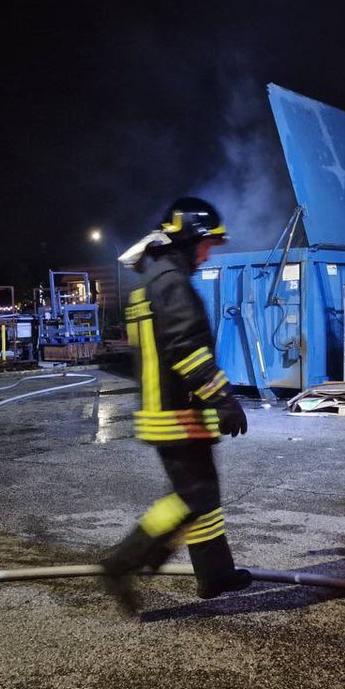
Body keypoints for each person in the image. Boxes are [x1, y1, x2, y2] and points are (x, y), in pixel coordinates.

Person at [100, 197, 252, 616]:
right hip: (177, 415)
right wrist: (223, 397)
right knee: (191, 499)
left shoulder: (153, 282)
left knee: (203, 494)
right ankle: (121, 564)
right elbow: (187, 352)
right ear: (188, 240)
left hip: (167, 411)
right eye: (206, 244)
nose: (208, 253)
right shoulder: (172, 284)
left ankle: (216, 573)